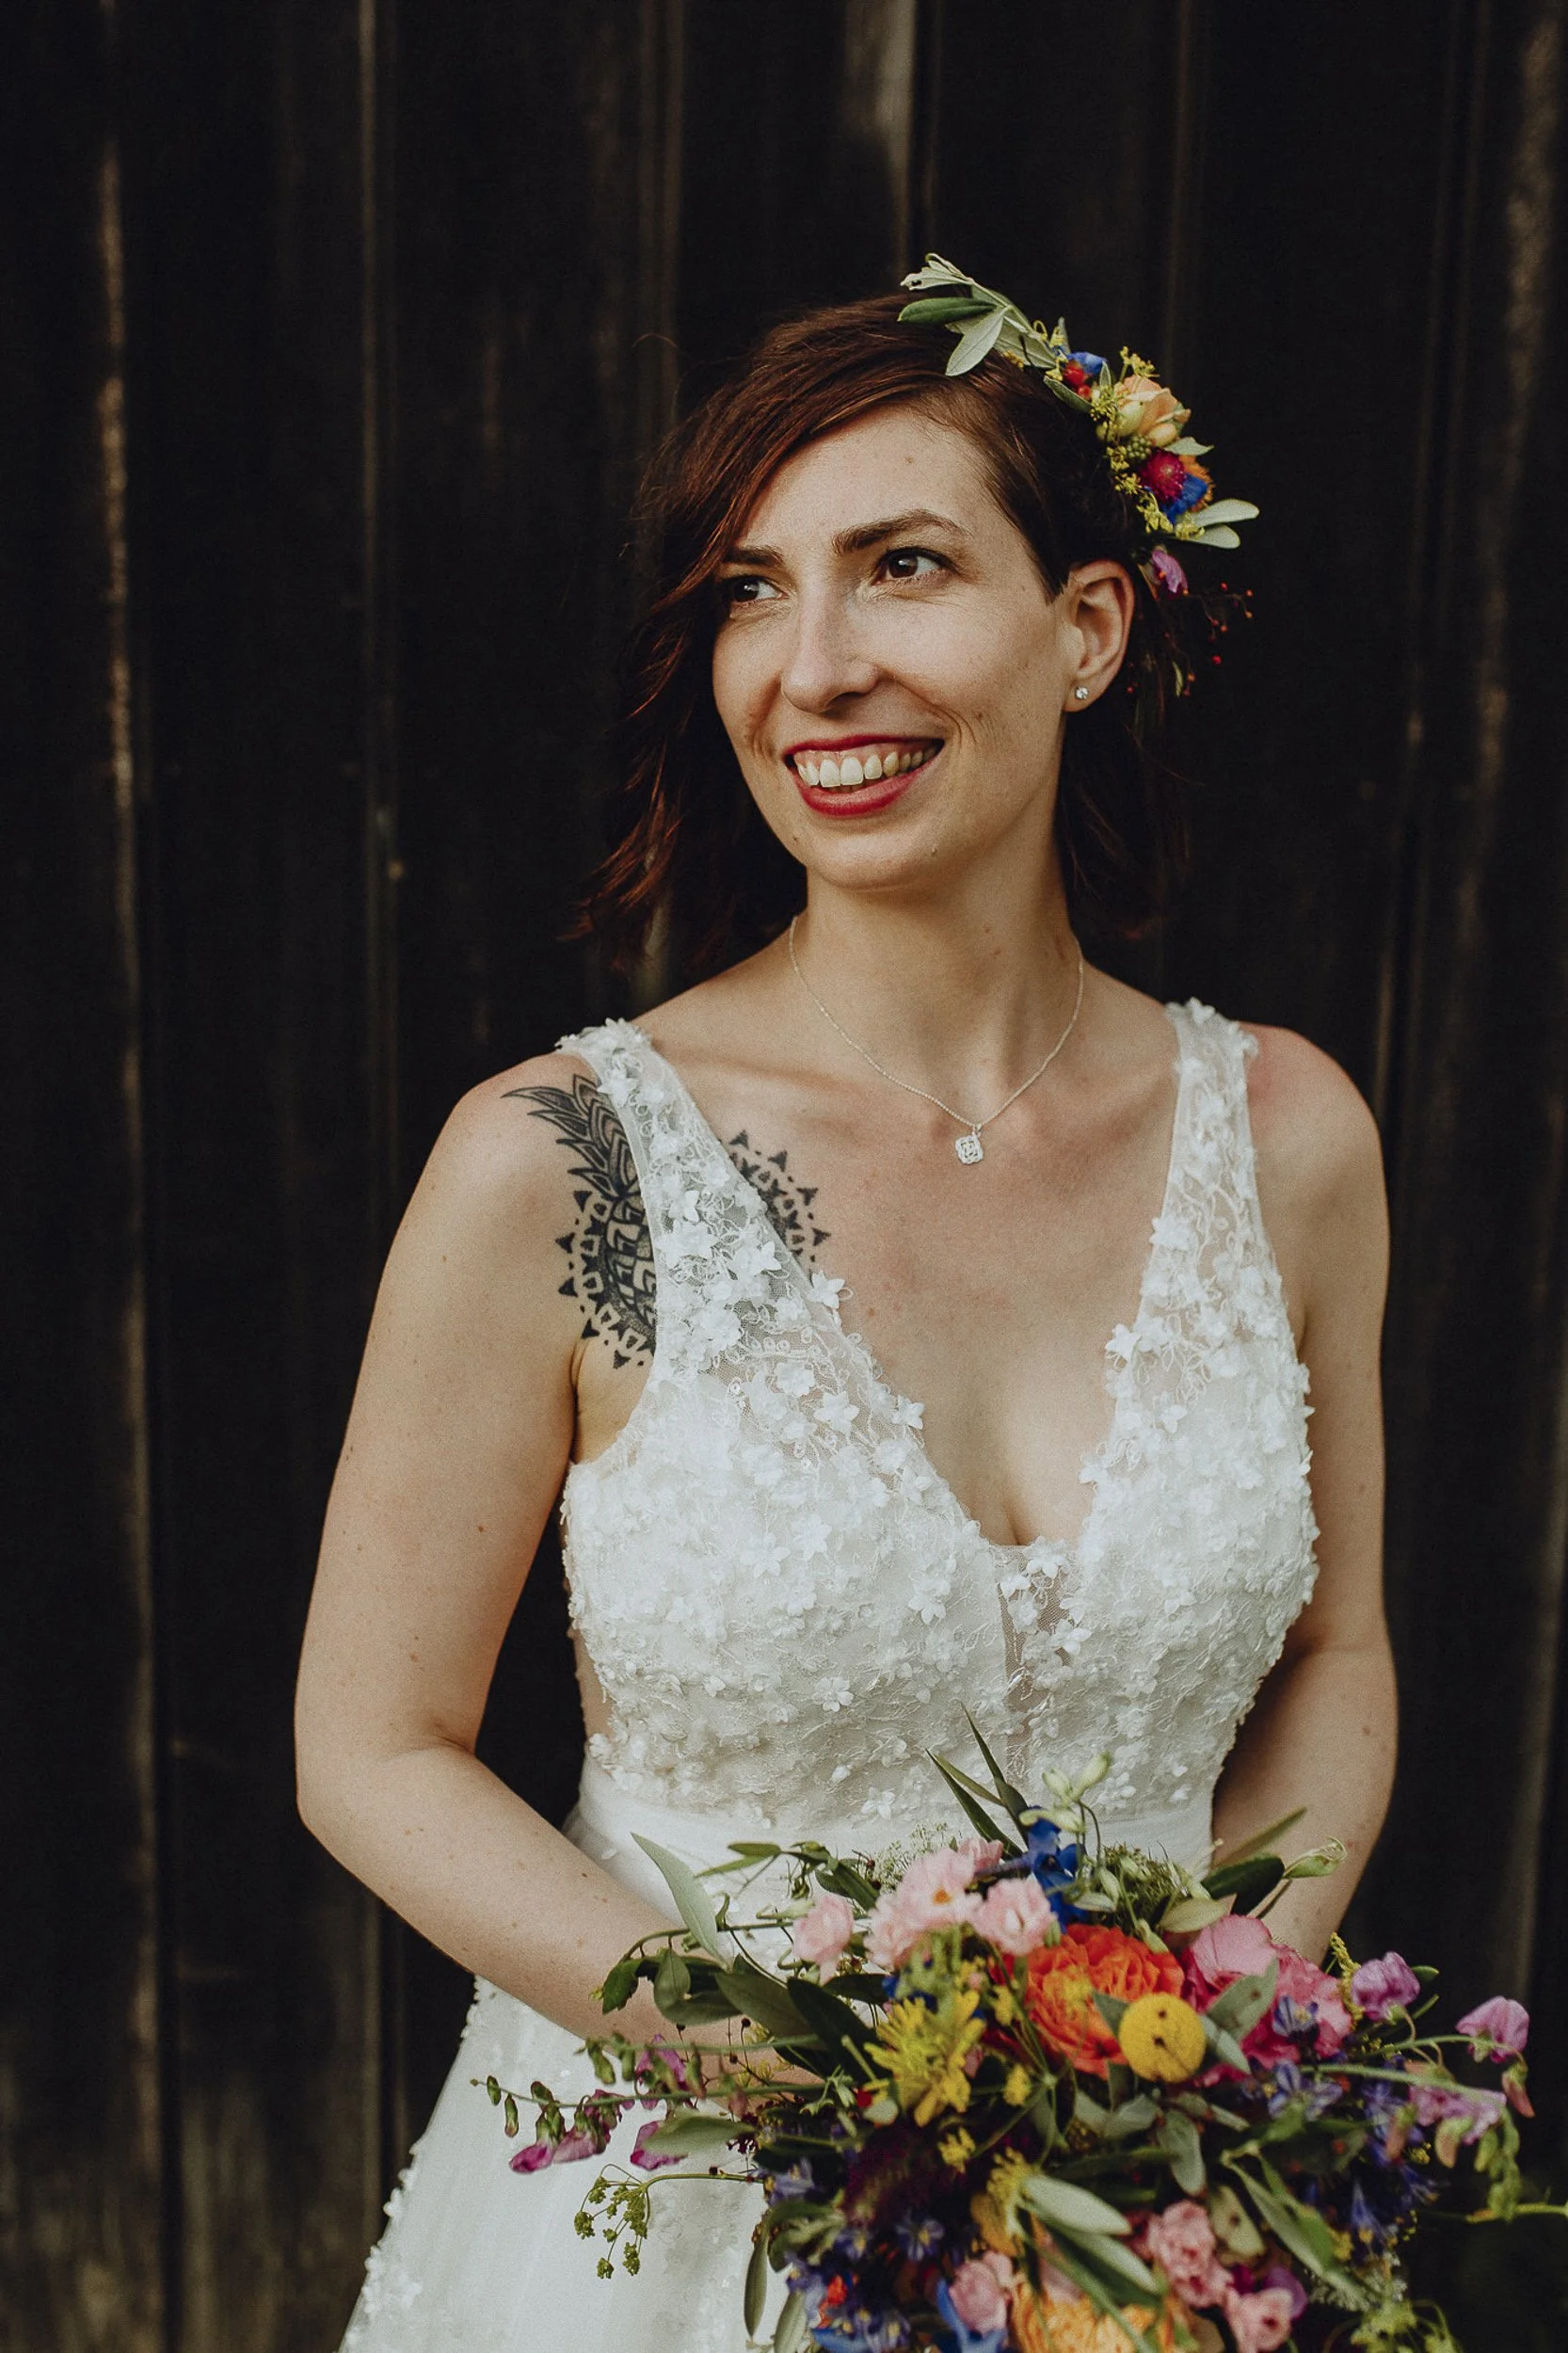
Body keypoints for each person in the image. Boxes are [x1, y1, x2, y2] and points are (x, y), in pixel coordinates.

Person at [296, 265, 1396, 2352]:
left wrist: (1192, 2039)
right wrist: (812, 2084)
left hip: (1137, 2238)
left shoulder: (1282, 1137)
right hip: (665, 2222)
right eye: (744, 591)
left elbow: (1336, 1651)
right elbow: (370, 1743)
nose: (809, 669)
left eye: (898, 567)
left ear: (1085, 626)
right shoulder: (564, 1167)